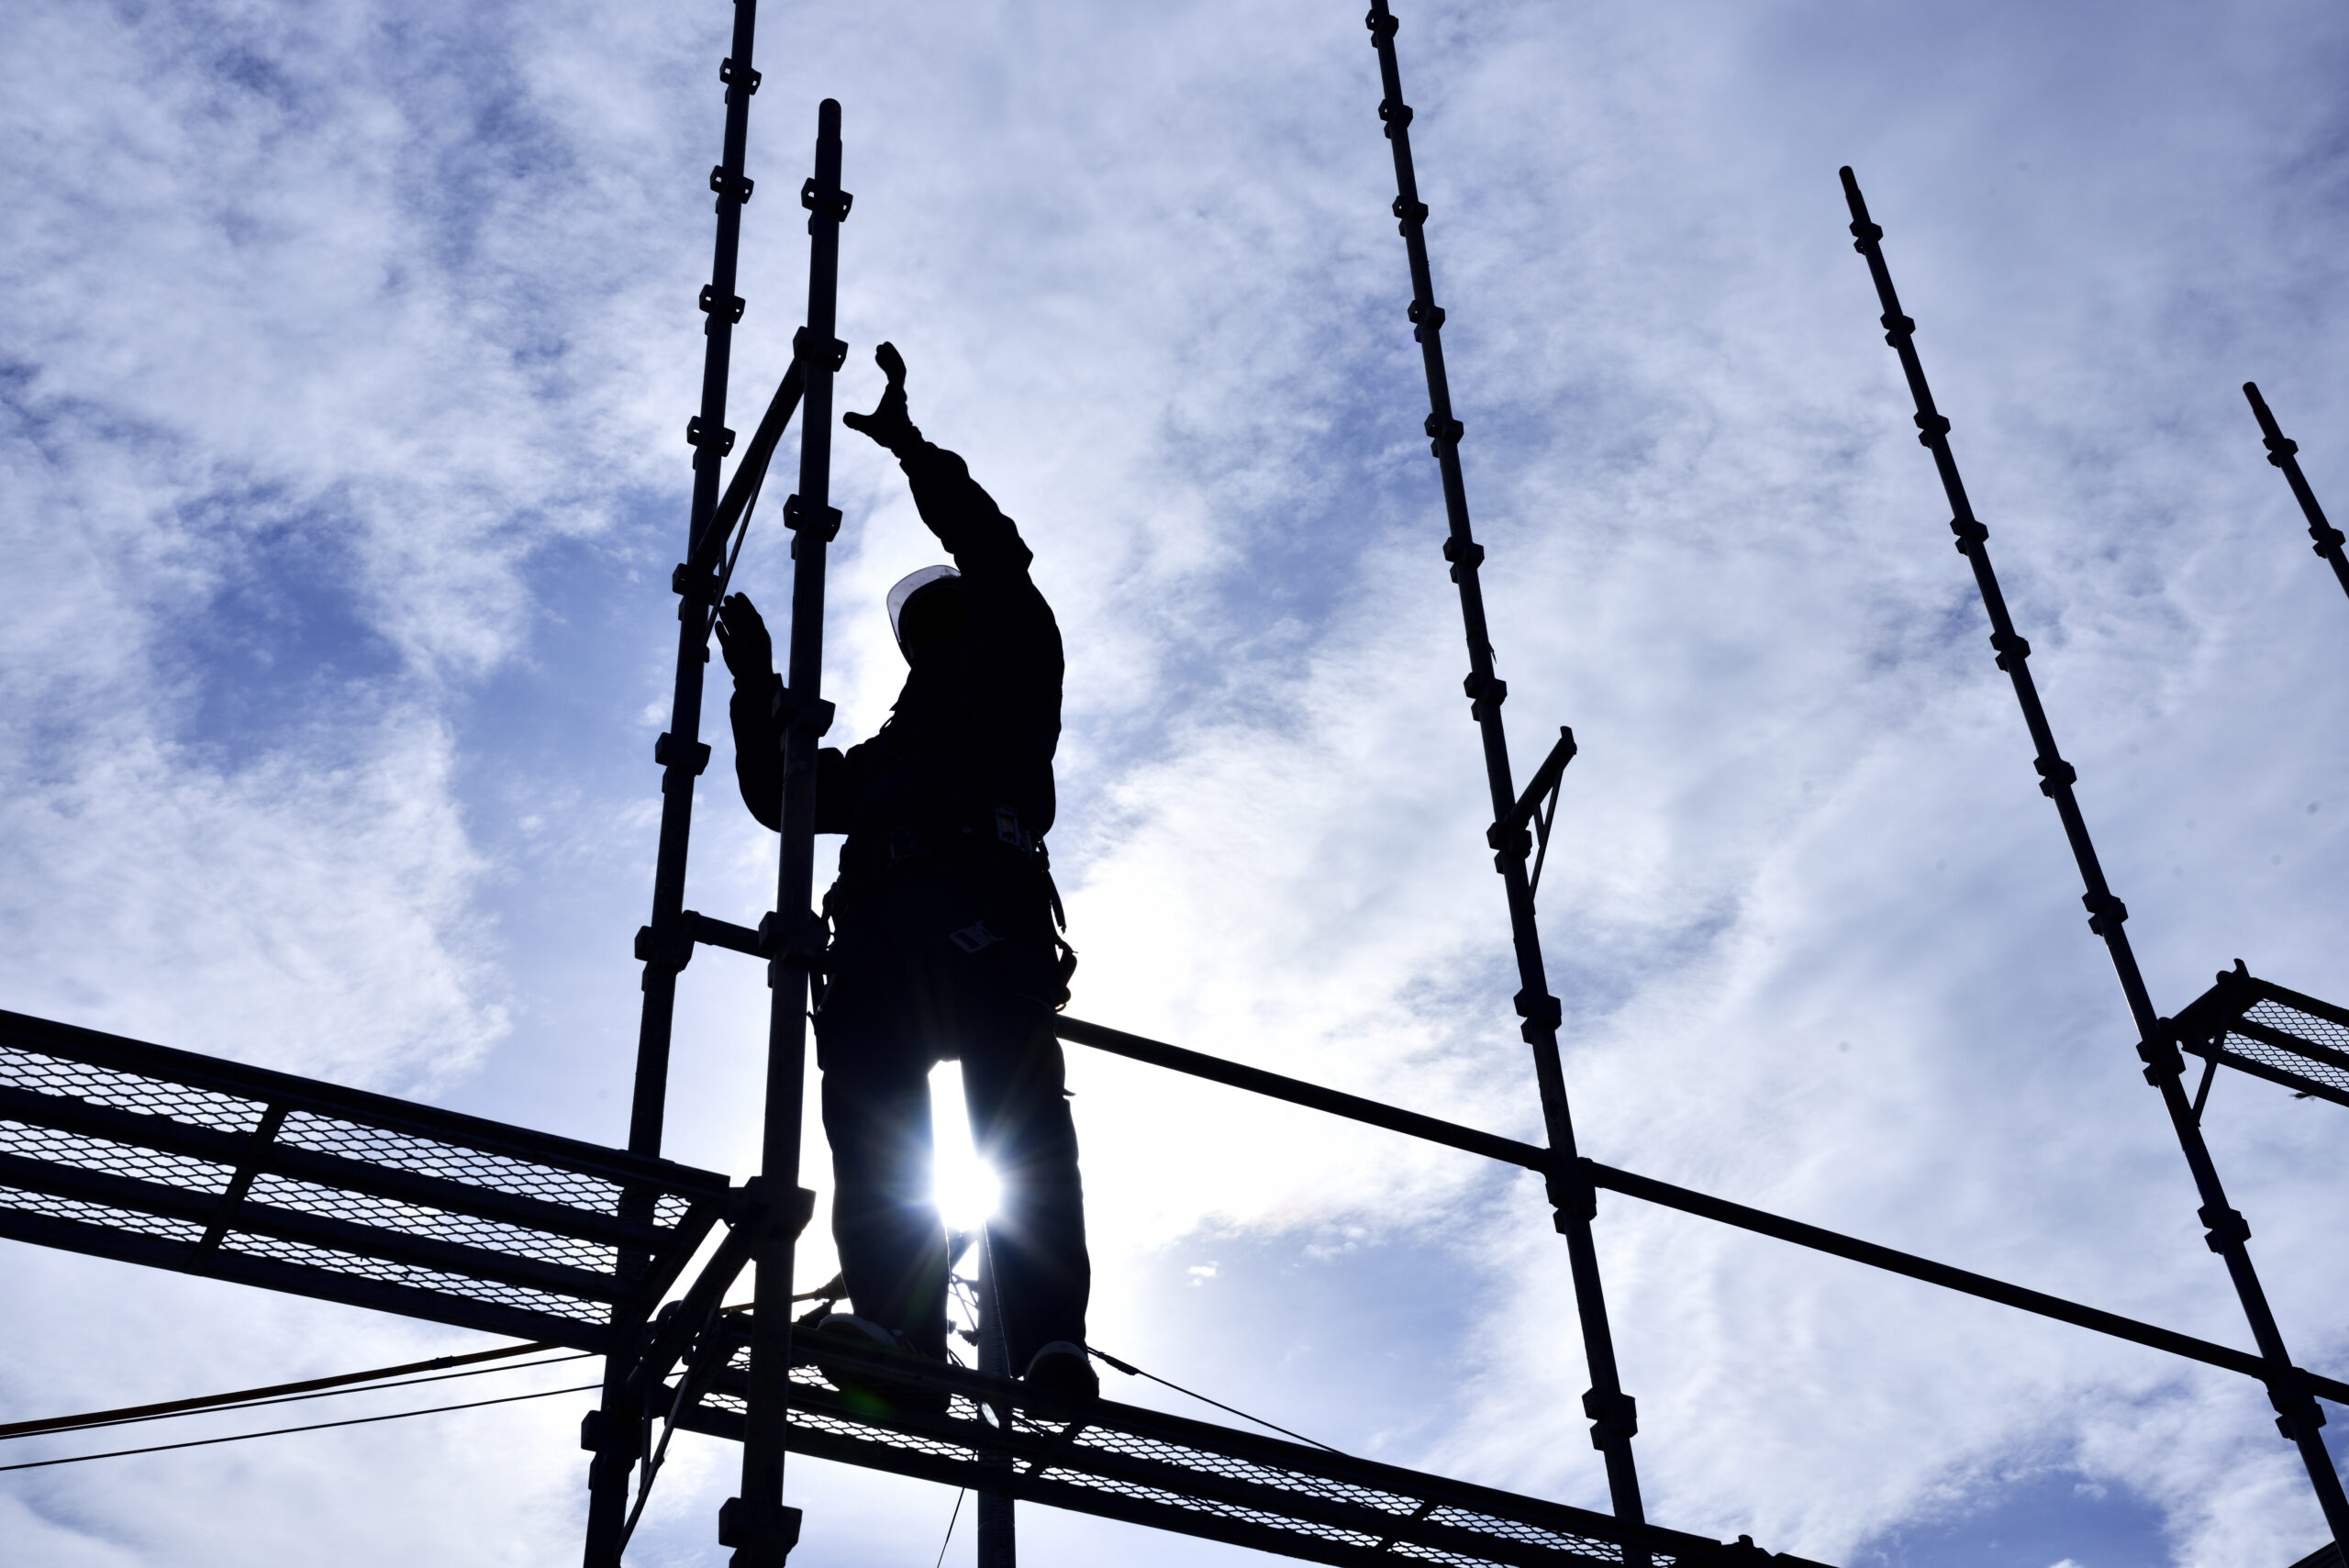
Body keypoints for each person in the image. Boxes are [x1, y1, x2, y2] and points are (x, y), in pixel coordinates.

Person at [715, 342, 1096, 1404]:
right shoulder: (885, 756)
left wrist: (915, 453)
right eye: (920, 627)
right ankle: (902, 1328)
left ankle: (1042, 1336)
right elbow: (786, 796)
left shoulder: (1014, 672)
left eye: (945, 616)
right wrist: (755, 687)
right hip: (884, 935)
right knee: (879, 1131)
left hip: (979, 911)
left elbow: (997, 555)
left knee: (1015, 1128)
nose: (932, 633)